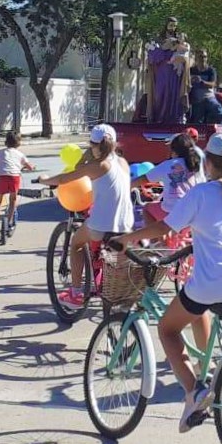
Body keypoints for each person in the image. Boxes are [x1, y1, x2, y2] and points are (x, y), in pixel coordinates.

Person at [110, 132, 222, 432]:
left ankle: (194, 391)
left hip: (214, 281)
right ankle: (207, 370)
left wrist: (125, 240)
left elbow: (165, 225)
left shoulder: (201, 193)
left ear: (211, 163)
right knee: (197, 308)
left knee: (167, 328)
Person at [36, 124, 134, 309]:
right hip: (126, 225)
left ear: (93, 144)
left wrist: (43, 179)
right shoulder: (122, 163)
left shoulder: (97, 166)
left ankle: (75, 293)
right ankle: (121, 297)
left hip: (101, 225)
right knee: (121, 262)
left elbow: (66, 178)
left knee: (77, 244)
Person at [134, 132, 204, 228]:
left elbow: (144, 179)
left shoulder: (168, 165)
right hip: (193, 213)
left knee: (147, 209)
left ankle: (157, 241)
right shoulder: (196, 166)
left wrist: (127, 185)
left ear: (173, 151)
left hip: (170, 210)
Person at [0, 131, 36, 238]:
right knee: (13, 200)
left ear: (6, 142)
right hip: (14, 177)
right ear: (18, 143)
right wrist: (32, 167)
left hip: (1, 177)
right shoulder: (20, 154)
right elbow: (30, 166)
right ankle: (8, 223)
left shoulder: (0, 152)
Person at [146, 17, 187, 123]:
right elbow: (152, 56)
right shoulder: (158, 40)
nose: (172, 28)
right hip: (162, 72)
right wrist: (164, 51)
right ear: (166, 25)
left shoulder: (180, 40)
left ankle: (174, 120)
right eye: (170, 25)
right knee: (160, 95)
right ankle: (159, 119)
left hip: (175, 73)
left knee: (174, 96)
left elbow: (185, 54)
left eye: (174, 26)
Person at [186, 49, 222, 124]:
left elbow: (213, 84)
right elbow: (186, 84)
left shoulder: (211, 70)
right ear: (196, 58)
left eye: (205, 57)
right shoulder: (191, 70)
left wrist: (201, 81)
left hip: (209, 98)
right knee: (196, 122)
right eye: (201, 57)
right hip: (197, 101)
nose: (203, 59)